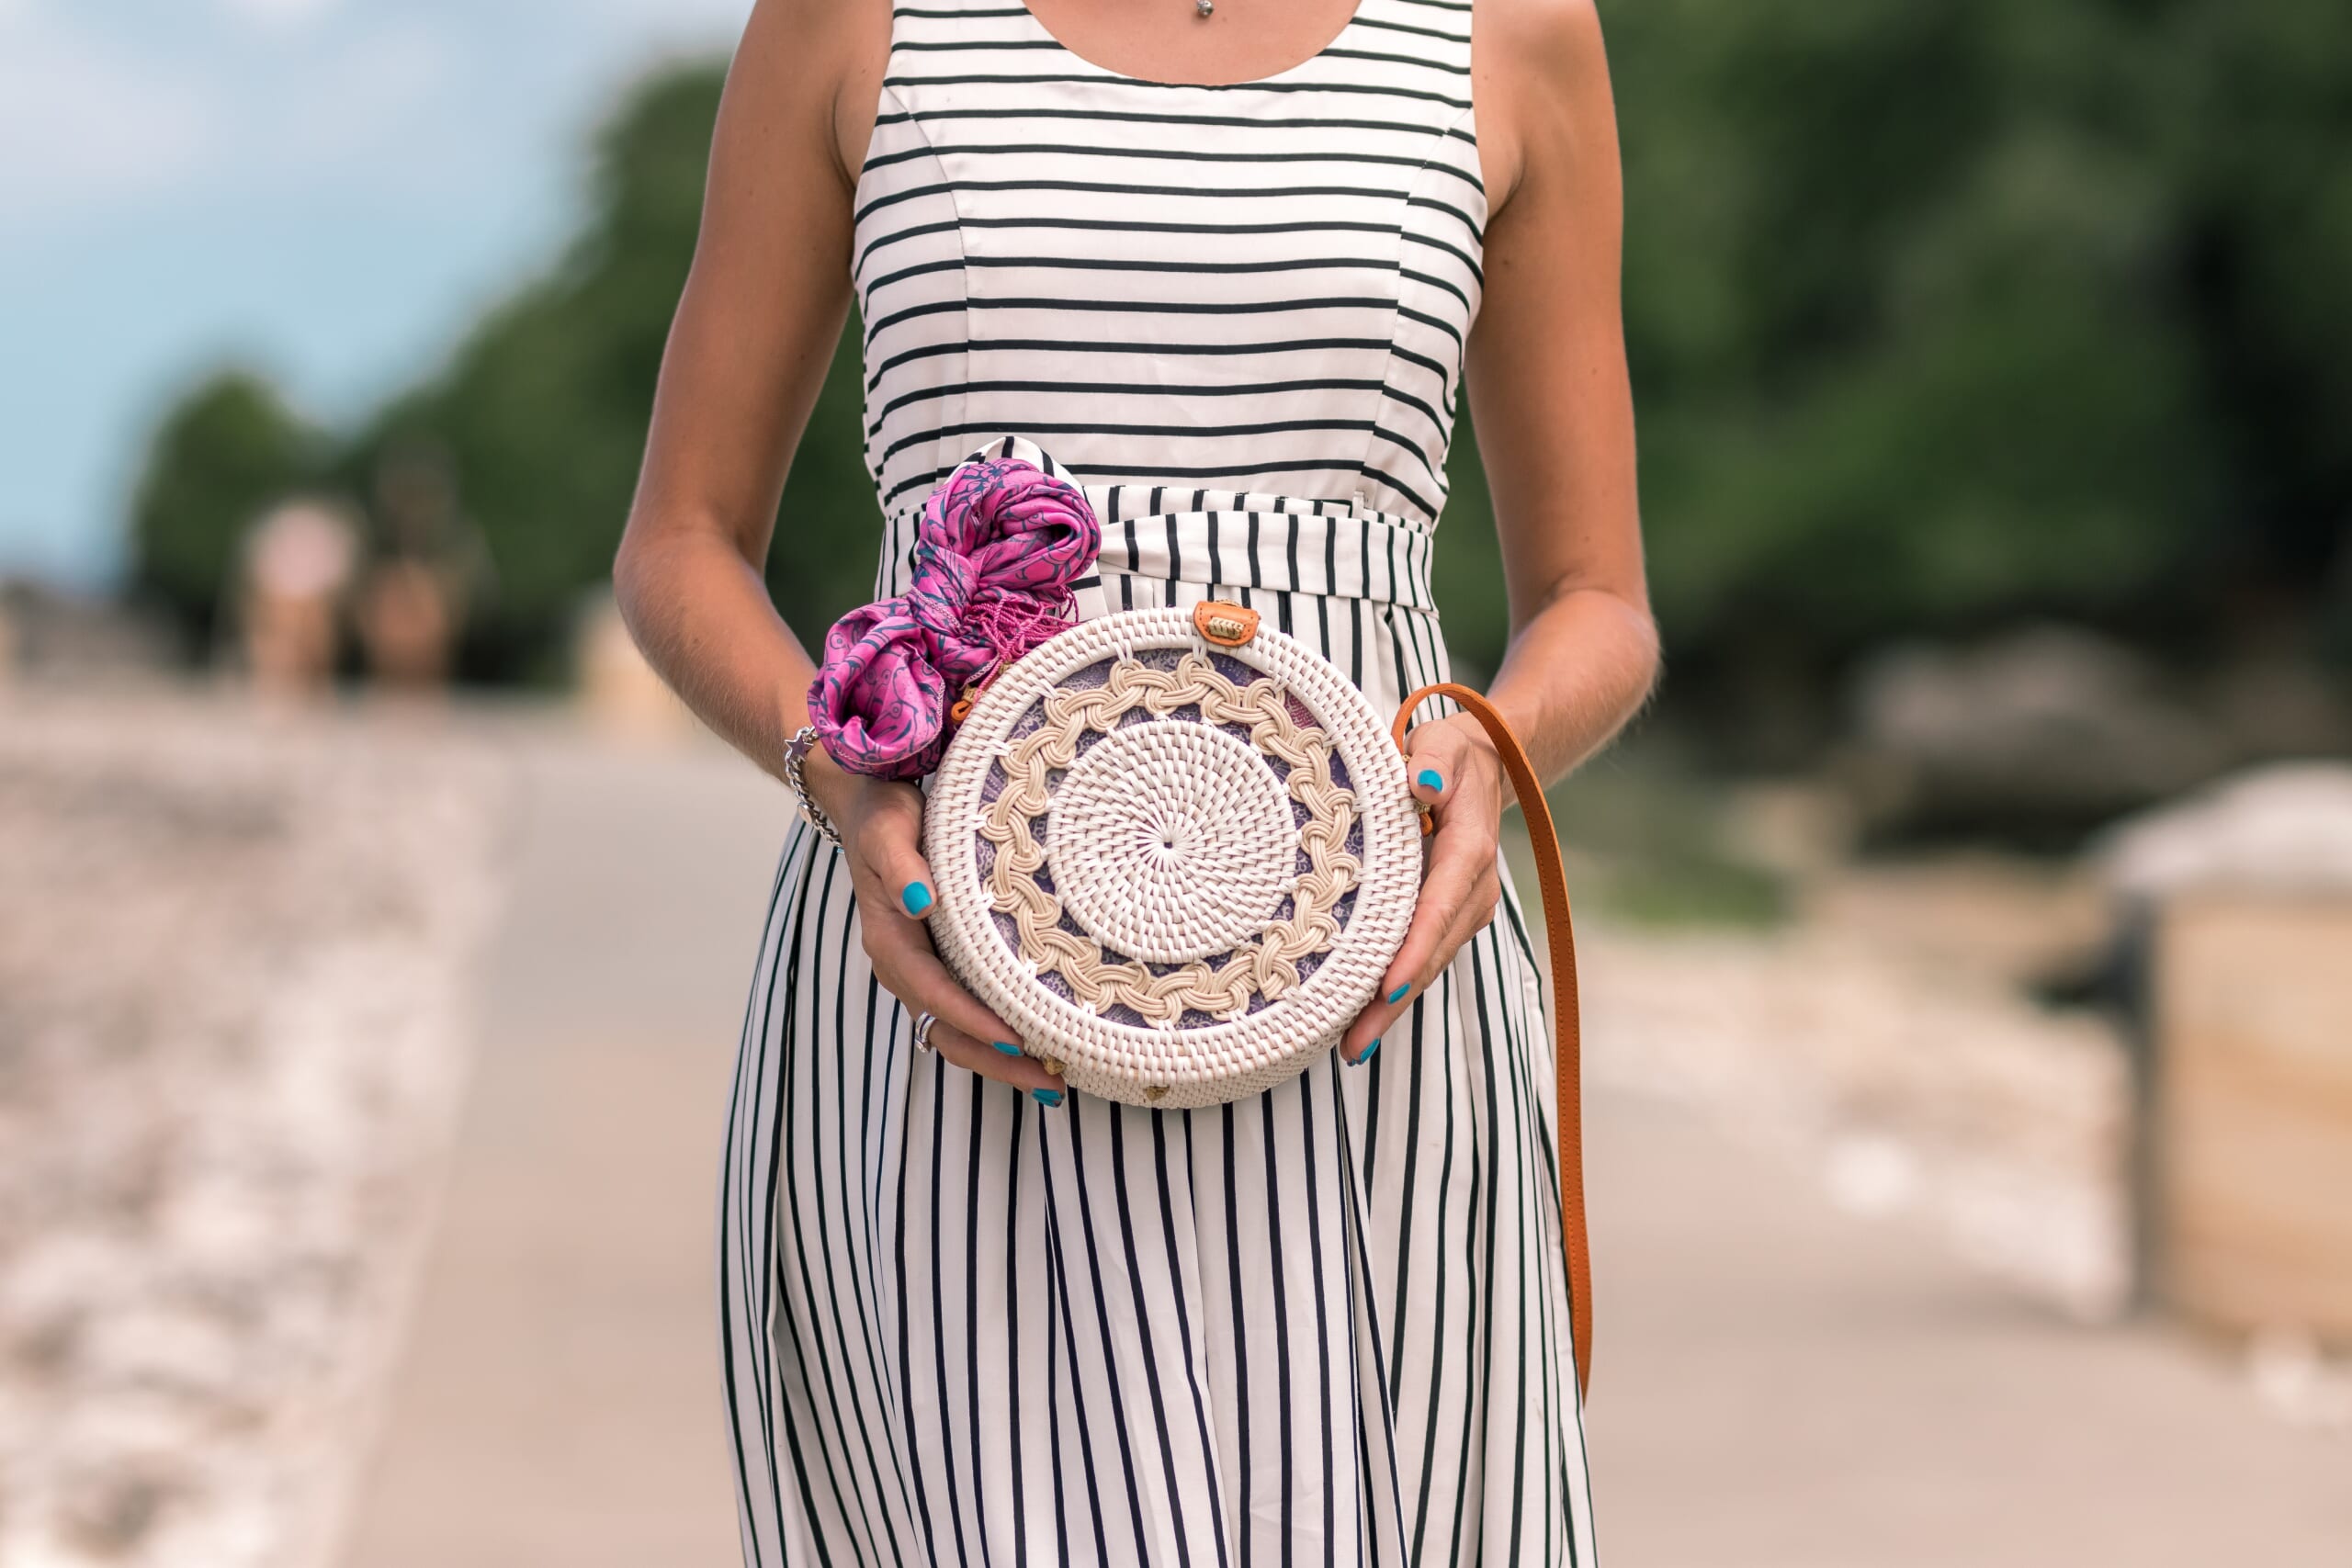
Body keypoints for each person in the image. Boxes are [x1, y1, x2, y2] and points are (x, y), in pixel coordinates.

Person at [614, 0, 1656, 1560]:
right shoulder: (855, 16)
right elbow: (680, 542)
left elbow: (1599, 599)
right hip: (951, 991)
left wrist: (1489, 754)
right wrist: (839, 775)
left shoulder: (1510, 25)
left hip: (1370, 996)